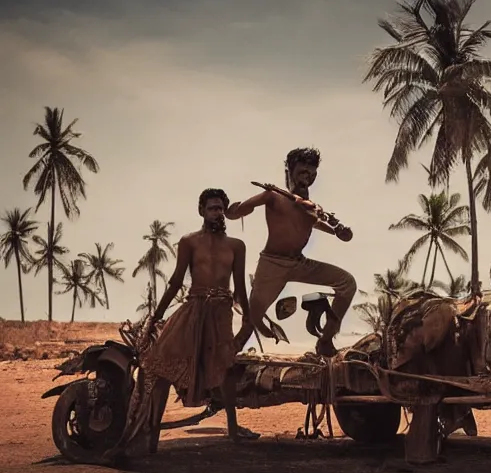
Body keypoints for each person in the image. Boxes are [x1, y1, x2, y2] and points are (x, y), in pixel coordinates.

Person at [117, 188, 258, 455]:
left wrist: (249, 320)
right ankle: (151, 436)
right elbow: (175, 281)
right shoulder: (189, 242)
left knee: (226, 367)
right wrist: (154, 319)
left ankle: (232, 428)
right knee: (159, 366)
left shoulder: (236, 246)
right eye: (211, 208)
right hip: (193, 310)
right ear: (201, 212)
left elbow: (239, 287)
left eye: (220, 208)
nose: (216, 212)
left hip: (222, 314)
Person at [225, 147, 357, 357]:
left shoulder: (312, 208)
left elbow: (330, 230)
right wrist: (230, 209)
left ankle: (325, 340)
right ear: (289, 170)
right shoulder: (273, 196)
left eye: (312, 173)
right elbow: (236, 213)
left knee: (347, 283)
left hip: (300, 264)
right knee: (250, 323)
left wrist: (338, 230)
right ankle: (220, 366)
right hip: (272, 266)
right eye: (302, 172)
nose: (308, 177)